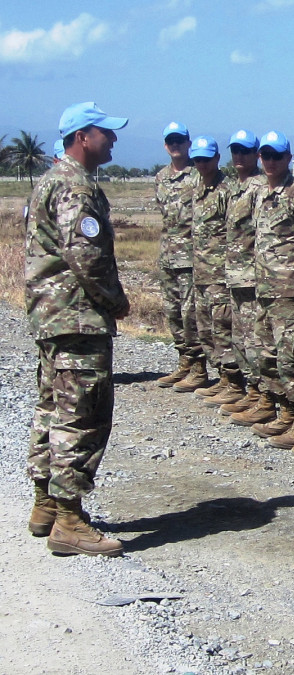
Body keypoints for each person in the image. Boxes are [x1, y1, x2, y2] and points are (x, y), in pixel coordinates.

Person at [25, 102, 130, 556]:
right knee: (81, 413)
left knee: (52, 406)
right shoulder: (74, 187)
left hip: (53, 317)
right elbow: (87, 257)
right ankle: (68, 519)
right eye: (106, 132)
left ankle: (45, 504)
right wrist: (115, 299)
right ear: (83, 136)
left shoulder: (50, 181)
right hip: (77, 318)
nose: (113, 139)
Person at [230, 131, 294, 449]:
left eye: (276, 156)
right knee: (265, 354)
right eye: (265, 155)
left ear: (288, 159)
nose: (269, 161)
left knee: (290, 358)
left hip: (289, 291)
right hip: (262, 287)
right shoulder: (259, 194)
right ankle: (280, 409)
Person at [214, 130, 265, 414]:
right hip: (234, 275)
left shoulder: (259, 188)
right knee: (240, 338)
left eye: (245, 151)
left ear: (255, 154)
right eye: (235, 150)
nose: (239, 156)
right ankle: (249, 389)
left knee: (255, 339)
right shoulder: (234, 188)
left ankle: (262, 395)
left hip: (252, 276)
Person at [185, 137, 237, 403]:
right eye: (197, 160)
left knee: (222, 328)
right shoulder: (196, 188)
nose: (202, 165)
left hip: (219, 273)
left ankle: (232, 382)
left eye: (206, 159)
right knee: (205, 329)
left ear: (217, 159)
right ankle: (219, 376)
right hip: (201, 273)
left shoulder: (227, 190)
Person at [155, 121, 204, 389]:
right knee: (172, 312)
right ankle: (183, 362)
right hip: (168, 257)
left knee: (190, 314)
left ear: (188, 143)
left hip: (190, 258)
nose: (175, 145)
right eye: (170, 140)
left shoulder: (198, 175)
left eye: (179, 140)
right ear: (166, 145)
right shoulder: (160, 177)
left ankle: (198, 368)